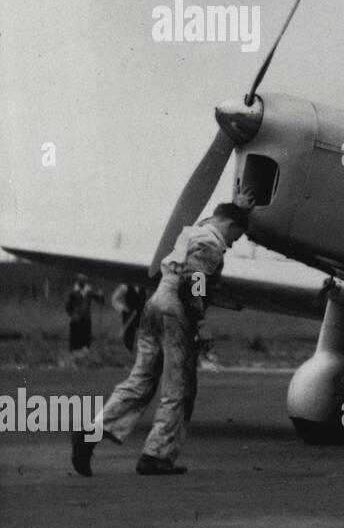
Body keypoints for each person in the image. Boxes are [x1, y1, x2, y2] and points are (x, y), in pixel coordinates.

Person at [72, 190, 254, 477]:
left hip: (155, 302)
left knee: (140, 380)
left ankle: (90, 434)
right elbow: (192, 282)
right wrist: (200, 322)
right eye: (237, 236)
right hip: (177, 309)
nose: (232, 244)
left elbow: (218, 219)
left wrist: (238, 208)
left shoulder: (196, 232)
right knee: (179, 387)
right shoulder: (212, 244)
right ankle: (156, 455)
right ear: (230, 226)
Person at [64, 274, 105, 353]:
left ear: (85, 281)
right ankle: (74, 351)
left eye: (84, 280)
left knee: (86, 334)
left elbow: (100, 301)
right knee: (75, 334)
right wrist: (73, 314)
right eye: (80, 280)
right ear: (78, 280)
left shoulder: (89, 291)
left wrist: (101, 295)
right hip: (76, 317)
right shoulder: (73, 291)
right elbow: (68, 306)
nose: (82, 281)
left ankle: (85, 351)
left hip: (86, 317)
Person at [110, 283, 148, 353]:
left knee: (143, 336)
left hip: (141, 316)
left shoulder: (143, 287)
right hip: (129, 316)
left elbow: (145, 302)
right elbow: (114, 298)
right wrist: (122, 309)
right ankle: (127, 352)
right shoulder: (125, 286)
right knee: (129, 336)